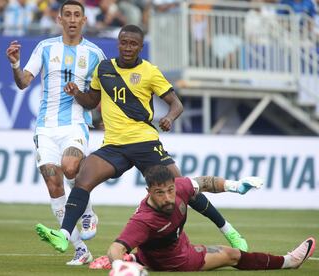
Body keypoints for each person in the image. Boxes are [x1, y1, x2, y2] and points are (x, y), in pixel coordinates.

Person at [35, 24, 254, 255]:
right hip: (114, 145)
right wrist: (76, 94)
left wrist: (169, 118)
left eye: (133, 44)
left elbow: (175, 103)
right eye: (123, 42)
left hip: (145, 143)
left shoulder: (150, 71)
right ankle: (64, 235)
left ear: (140, 47)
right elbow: (91, 101)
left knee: (182, 188)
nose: (127, 47)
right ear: (118, 43)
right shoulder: (104, 68)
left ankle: (228, 230)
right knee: (82, 180)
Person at [5, 0, 106, 265]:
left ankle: (87, 209)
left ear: (84, 21)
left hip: (75, 124)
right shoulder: (45, 47)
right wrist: (15, 65)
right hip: (45, 127)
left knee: (71, 167)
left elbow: (96, 100)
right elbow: (24, 82)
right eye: (68, 15)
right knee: (53, 183)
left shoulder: (95, 54)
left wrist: (79, 94)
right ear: (59, 19)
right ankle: (80, 249)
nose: (72, 19)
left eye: (77, 15)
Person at [105, 165, 316, 272]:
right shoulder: (143, 220)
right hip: (176, 261)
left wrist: (235, 186)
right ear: (148, 191)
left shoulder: (180, 187)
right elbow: (115, 249)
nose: (168, 197)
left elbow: (204, 182)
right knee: (233, 255)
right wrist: (118, 267)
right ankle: (290, 262)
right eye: (160, 193)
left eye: (170, 190)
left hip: (166, 248)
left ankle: (137, 259)